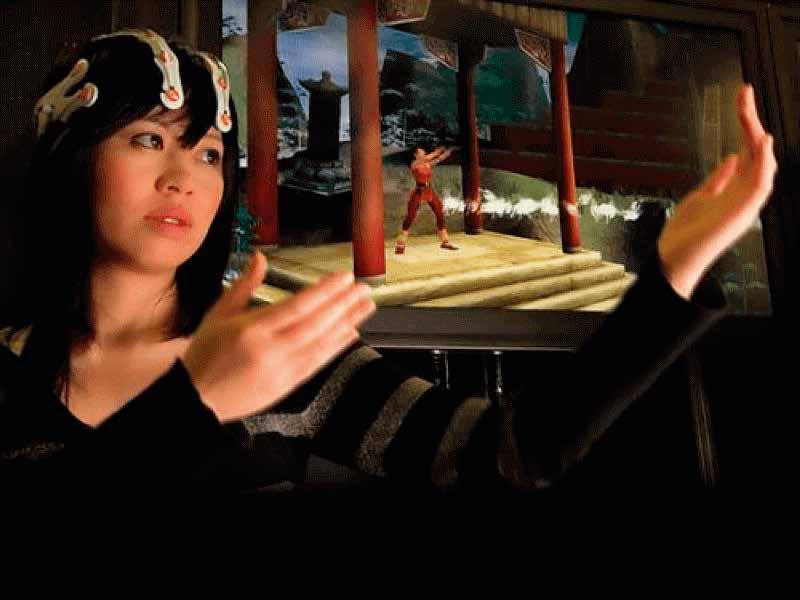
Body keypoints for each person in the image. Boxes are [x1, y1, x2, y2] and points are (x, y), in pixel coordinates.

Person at [0, 29, 777, 497]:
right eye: (147, 139)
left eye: (208, 153)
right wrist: (194, 404)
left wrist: (674, 273)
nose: (184, 178)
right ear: (72, 157)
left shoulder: (276, 353)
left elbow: (509, 454)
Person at [395, 146, 458, 254]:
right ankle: (400, 244)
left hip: (429, 190)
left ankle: (445, 242)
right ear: (416, 155)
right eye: (421, 152)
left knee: (439, 213)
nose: (423, 153)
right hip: (419, 191)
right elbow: (429, 157)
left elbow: (438, 159)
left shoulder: (427, 164)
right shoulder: (415, 163)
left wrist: (448, 151)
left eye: (423, 151)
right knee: (410, 216)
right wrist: (437, 151)